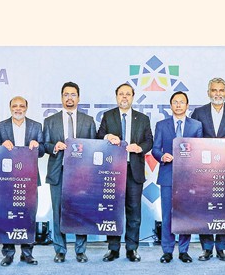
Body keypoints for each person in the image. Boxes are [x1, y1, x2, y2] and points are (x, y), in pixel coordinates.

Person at [97, 83, 154, 262]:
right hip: (112, 171)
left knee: (134, 211)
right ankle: (113, 249)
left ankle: (132, 249)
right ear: (116, 97)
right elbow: (98, 137)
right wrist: (107, 137)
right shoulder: (108, 116)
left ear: (132, 97)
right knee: (112, 211)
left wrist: (139, 148)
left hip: (134, 169)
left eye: (128, 94)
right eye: (121, 94)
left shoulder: (142, 119)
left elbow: (149, 141)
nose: (124, 97)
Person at [42, 82, 98, 263]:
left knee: (81, 210)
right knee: (58, 211)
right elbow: (44, 145)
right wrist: (54, 147)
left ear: (78, 98)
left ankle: (80, 250)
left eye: (73, 94)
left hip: (81, 174)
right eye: (66, 94)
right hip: (58, 171)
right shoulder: (50, 121)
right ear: (61, 97)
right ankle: (60, 250)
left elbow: (94, 147)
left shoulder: (88, 121)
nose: (69, 98)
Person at [191, 77, 225, 261]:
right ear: (208, 92)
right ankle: (206, 248)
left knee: (223, 208)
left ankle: (221, 248)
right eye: (214, 90)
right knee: (204, 208)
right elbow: (193, 139)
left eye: (221, 90)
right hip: (202, 169)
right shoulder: (199, 112)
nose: (217, 93)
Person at [0, 96, 45, 266]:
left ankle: (27, 253)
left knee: (28, 215)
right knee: (7, 215)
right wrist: (1, 146)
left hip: (30, 177)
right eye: (15, 105)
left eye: (22, 106)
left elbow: (43, 151)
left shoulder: (36, 126)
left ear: (26, 108)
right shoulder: (0, 127)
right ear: (10, 108)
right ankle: (8, 253)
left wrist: (37, 146)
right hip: (7, 179)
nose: (18, 108)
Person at [152, 91, 204, 263]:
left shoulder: (196, 125)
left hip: (188, 178)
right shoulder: (161, 125)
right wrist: (162, 156)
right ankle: (167, 251)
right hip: (167, 175)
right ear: (171, 105)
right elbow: (155, 149)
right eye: (175, 102)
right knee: (167, 215)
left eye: (182, 102)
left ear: (187, 106)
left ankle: (183, 251)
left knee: (184, 214)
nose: (179, 105)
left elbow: (199, 149)